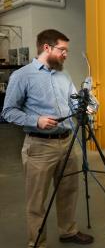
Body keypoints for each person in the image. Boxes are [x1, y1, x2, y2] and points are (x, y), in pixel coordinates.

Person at [1, 29, 94, 248]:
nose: (65, 54)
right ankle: (37, 243)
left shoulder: (64, 74)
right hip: (39, 146)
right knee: (37, 200)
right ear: (47, 48)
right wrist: (37, 120)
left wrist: (86, 106)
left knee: (69, 191)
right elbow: (8, 111)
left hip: (68, 142)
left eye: (66, 51)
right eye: (62, 50)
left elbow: (73, 101)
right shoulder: (22, 76)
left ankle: (68, 231)